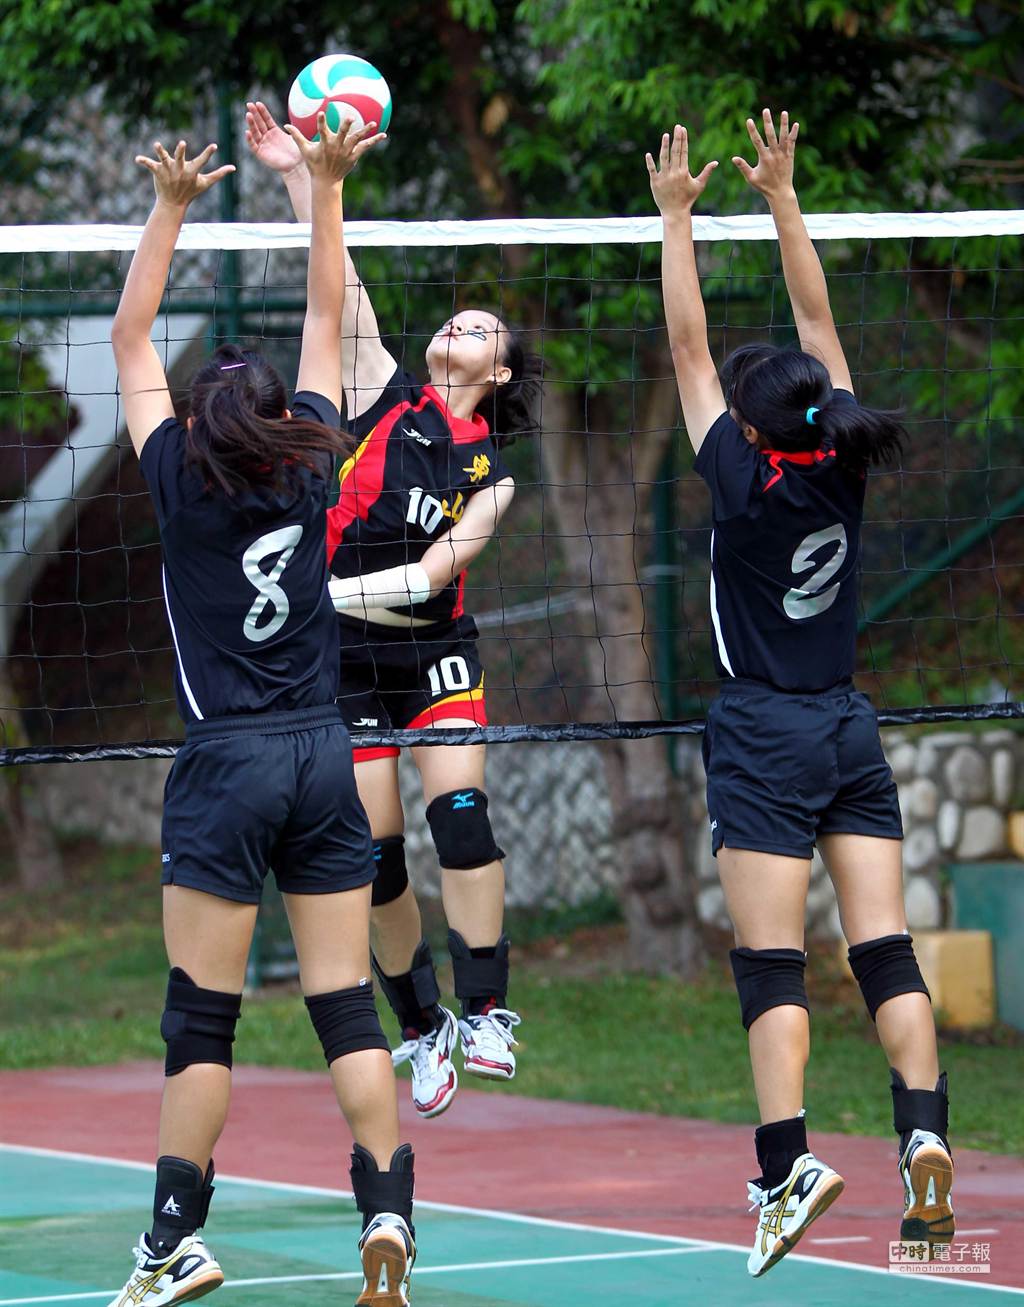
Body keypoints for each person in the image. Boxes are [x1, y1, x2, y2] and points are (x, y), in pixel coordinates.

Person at [108, 115, 417, 1307]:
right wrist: (324, 190)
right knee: (344, 999)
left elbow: (131, 332)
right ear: (277, 418)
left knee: (203, 1019)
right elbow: (330, 319)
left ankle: (173, 1239)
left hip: (228, 764)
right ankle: (385, 1204)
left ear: (193, 424)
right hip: (324, 752)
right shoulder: (310, 459)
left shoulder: (179, 482)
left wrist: (174, 204)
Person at [647, 109, 954, 1276]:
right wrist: (782, 198)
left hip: (764, 733)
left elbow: (686, 347)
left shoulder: (738, 470)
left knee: (771, 968)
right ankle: (921, 1132)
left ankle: (785, 1166)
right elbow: (814, 321)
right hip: (847, 725)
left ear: (749, 422)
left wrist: (676, 218)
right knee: (885, 949)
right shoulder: (841, 455)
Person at [245, 100, 542, 1120]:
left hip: (429, 650)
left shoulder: (493, 472)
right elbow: (338, 277)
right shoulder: (378, 387)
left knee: (460, 813)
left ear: (494, 370)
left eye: (477, 328)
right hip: (345, 662)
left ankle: (488, 1005)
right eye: (452, 319)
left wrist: (315, 592)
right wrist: (303, 171)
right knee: (374, 859)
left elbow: (429, 572)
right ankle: (421, 1028)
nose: (454, 327)